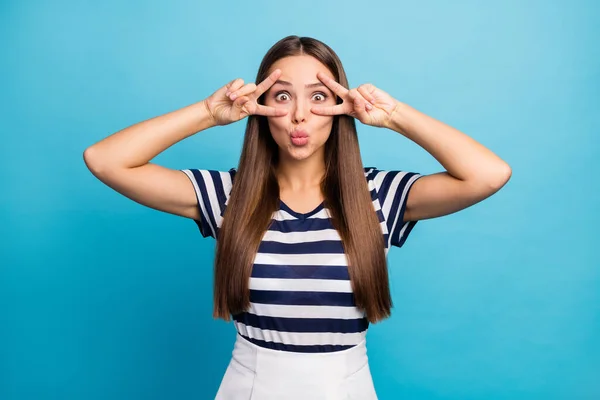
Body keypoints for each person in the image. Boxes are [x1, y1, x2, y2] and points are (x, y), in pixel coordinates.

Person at [83, 35, 511, 399]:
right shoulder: (230, 195)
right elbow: (105, 160)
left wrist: (393, 116)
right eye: (282, 96)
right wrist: (209, 113)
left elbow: (488, 175)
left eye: (319, 97)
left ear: (341, 105)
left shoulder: (377, 195)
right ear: (260, 105)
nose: (299, 115)